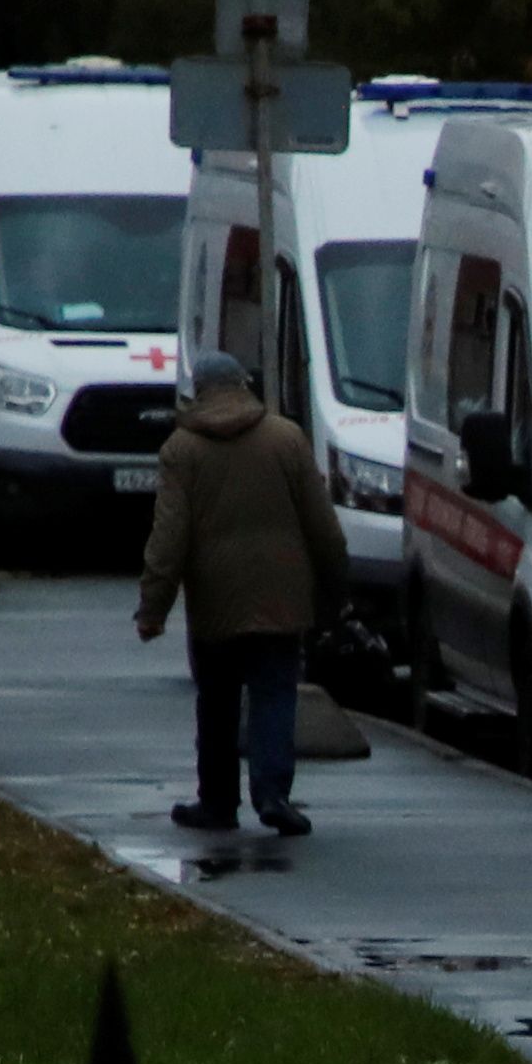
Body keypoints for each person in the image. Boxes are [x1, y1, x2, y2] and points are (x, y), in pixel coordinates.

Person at [134, 344, 349, 837]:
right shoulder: (286, 439)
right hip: (282, 593)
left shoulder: (181, 451)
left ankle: (218, 803)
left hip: (215, 599)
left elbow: (168, 537)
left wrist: (154, 608)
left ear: (197, 394)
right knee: (275, 690)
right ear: (244, 387)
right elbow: (324, 529)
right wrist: (336, 592)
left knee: (217, 698)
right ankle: (272, 793)